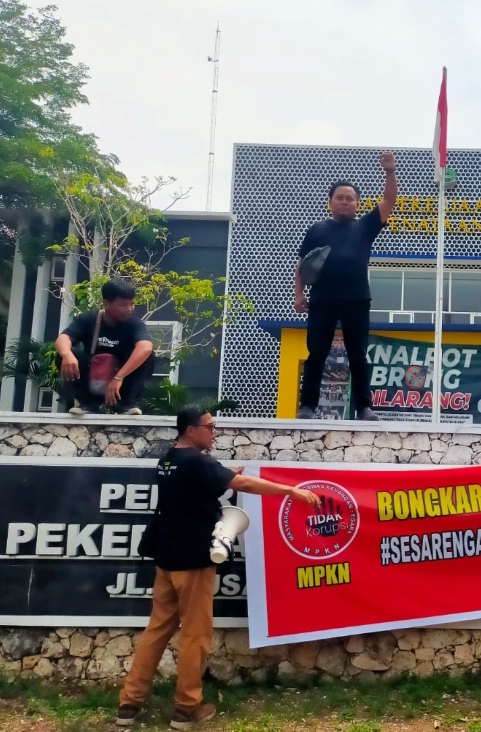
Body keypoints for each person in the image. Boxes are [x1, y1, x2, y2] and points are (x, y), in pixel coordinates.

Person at [116, 405, 319, 729]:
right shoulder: (198, 462)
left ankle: (129, 704)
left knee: (156, 631)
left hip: (166, 560)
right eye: (209, 426)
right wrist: (290, 491)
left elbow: (200, 488)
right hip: (194, 562)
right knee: (195, 635)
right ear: (190, 430)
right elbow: (246, 486)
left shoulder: (168, 460)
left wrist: (226, 474)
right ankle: (187, 708)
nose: (214, 431)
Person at [295, 152, 398, 421]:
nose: (344, 202)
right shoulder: (316, 229)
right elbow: (301, 265)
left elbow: (389, 201)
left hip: (356, 299)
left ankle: (364, 407)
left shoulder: (365, 226)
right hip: (322, 299)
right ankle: (307, 407)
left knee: (358, 355)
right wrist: (298, 295)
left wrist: (389, 172)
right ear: (330, 202)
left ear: (357, 203)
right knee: (316, 353)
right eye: (339, 198)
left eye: (350, 198)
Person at [55, 279, 156, 416]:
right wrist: (67, 355)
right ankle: (87, 404)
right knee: (65, 354)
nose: (129, 309)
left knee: (147, 356)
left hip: (119, 386)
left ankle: (126, 405)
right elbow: (62, 339)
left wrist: (118, 378)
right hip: (93, 381)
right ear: (106, 304)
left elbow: (146, 347)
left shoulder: (134, 324)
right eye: (123, 305)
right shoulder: (89, 319)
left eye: (132, 304)